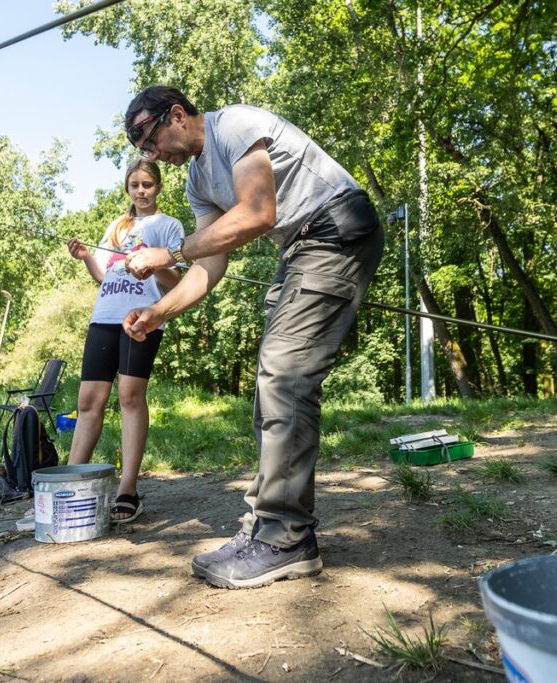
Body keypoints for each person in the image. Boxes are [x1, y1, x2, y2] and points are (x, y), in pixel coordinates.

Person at [121, 86, 384, 588]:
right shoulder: (199, 181)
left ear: (176, 114)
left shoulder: (235, 126)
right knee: (274, 375)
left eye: (150, 140)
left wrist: (170, 253)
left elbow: (258, 213)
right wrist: (160, 310)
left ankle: (286, 538)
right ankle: (267, 524)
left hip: (336, 227)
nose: (152, 156)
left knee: (284, 372)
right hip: (301, 247)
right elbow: (209, 263)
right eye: (143, 150)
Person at [65, 159, 184, 523]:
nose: (141, 191)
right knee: (89, 401)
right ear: (127, 188)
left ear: (158, 187)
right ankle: (69, 483)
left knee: (130, 397)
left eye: (147, 184)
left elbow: (177, 281)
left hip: (141, 318)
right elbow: (104, 276)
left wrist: (153, 266)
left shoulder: (169, 226)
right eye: (134, 185)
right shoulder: (116, 226)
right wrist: (86, 257)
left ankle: (127, 489)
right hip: (103, 317)